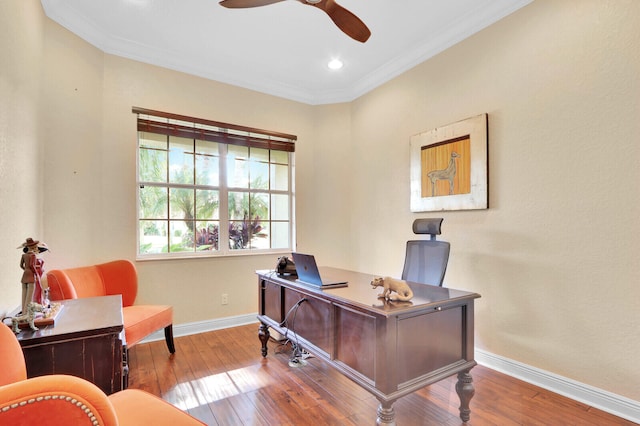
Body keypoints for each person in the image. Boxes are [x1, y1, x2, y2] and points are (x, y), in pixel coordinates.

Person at [18, 237, 48, 314]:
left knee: (24, 294)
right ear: (34, 247)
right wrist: (36, 274)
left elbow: (21, 265)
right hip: (31, 276)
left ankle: (23, 312)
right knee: (29, 296)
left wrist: (26, 270)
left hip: (24, 276)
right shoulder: (33, 256)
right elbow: (32, 266)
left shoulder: (24, 255)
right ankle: (26, 313)